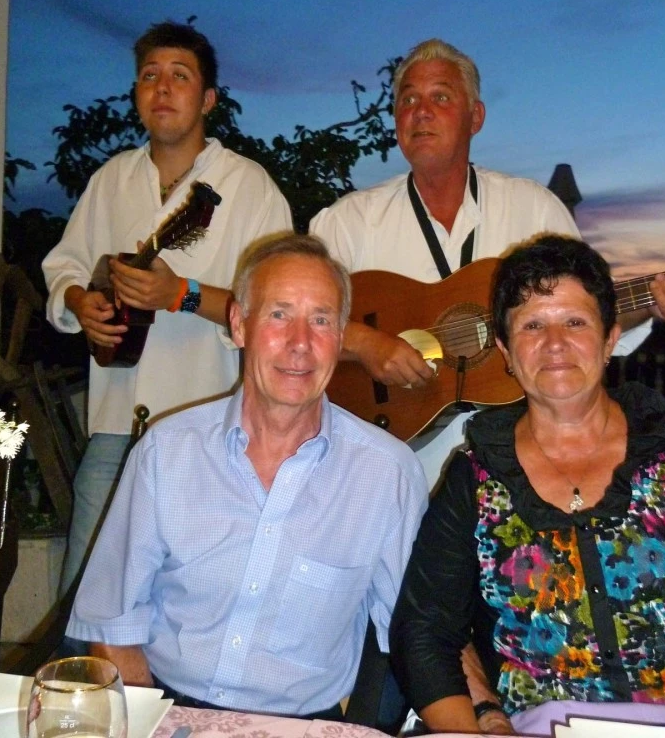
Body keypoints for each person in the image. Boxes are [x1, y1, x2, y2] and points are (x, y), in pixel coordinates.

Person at [310, 38, 665, 488]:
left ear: (475, 118)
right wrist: (365, 343)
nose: (421, 112)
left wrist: (657, 303)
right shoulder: (346, 222)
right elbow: (290, 322)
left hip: (525, 472)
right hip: (381, 473)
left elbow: (586, 316)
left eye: (441, 97)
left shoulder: (534, 211)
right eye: (408, 100)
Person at [389, 234, 665, 735]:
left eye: (575, 322)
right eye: (532, 325)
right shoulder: (476, 477)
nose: (554, 343)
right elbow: (424, 630)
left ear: (610, 340)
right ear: (506, 351)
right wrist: (479, 725)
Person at [65, 233, 428, 718]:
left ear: (341, 338)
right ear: (238, 324)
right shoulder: (167, 452)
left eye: (321, 320)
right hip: (165, 706)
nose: (300, 343)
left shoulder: (387, 475)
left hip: (300, 725)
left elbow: (420, 634)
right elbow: (113, 622)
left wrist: (484, 717)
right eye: (279, 315)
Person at [42, 21, 292, 595]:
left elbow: (277, 313)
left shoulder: (249, 187)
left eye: (180, 76)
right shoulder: (111, 180)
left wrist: (180, 294)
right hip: (114, 427)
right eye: (149, 76)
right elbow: (65, 266)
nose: (162, 88)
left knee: (193, 601)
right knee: (86, 598)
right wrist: (79, 301)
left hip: (208, 432)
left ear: (208, 99)